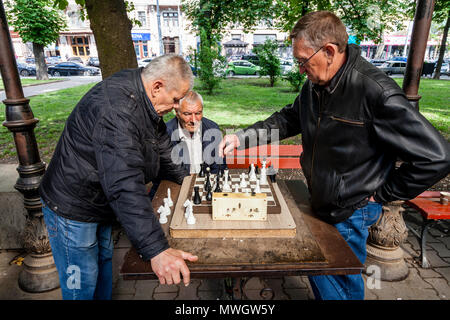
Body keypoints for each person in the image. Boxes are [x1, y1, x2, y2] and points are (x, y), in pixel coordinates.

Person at [218, 11, 450, 300]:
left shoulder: (375, 91)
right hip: (323, 198)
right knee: (325, 275)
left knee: (340, 284)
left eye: (303, 60)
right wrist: (242, 138)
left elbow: (438, 157)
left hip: (352, 208)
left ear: (329, 51)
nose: (301, 69)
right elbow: (289, 118)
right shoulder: (317, 83)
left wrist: (382, 194)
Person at [39, 54, 198, 300]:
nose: (178, 107)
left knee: (102, 269)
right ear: (157, 87)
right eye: (176, 99)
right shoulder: (117, 112)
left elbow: (162, 146)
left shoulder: (142, 93)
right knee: (81, 285)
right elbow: (125, 184)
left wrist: (188, 181)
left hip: (99, 201)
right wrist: (157, 251)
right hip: (72, 208)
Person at [149, 90, 226, 199]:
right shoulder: (165, 134)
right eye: (187, 114)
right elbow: (159, 177)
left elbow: (219, 168)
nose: (194, 120)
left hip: (205, 187)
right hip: (174, 188)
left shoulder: (213, 129)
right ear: (176, 112)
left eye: (198, 113)